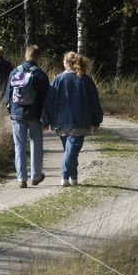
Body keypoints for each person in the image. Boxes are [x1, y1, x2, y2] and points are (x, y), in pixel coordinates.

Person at [41, 51, 103, 187]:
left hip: (61, 122)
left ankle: (68, 178)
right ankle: (71, 177)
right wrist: (96, 120)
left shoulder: (58, 79)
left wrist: (45, 120)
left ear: (67, 63)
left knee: (70, 151)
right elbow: (95, 102)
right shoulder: (86, 80)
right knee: (71, 152)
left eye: (64, 61)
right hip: (80, 122)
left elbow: (49, 101)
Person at [5, 45, 50, 188]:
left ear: (26, 56)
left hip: (17, 114)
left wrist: (11, 112)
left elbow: (8, 96)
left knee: (19, 146)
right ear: (38, 57)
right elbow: (45, 99)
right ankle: (36, 176)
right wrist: (45, 119)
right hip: (35, 115)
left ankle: (21, 179)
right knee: (36, 144)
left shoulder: (14, 72)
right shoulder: (40, 75)